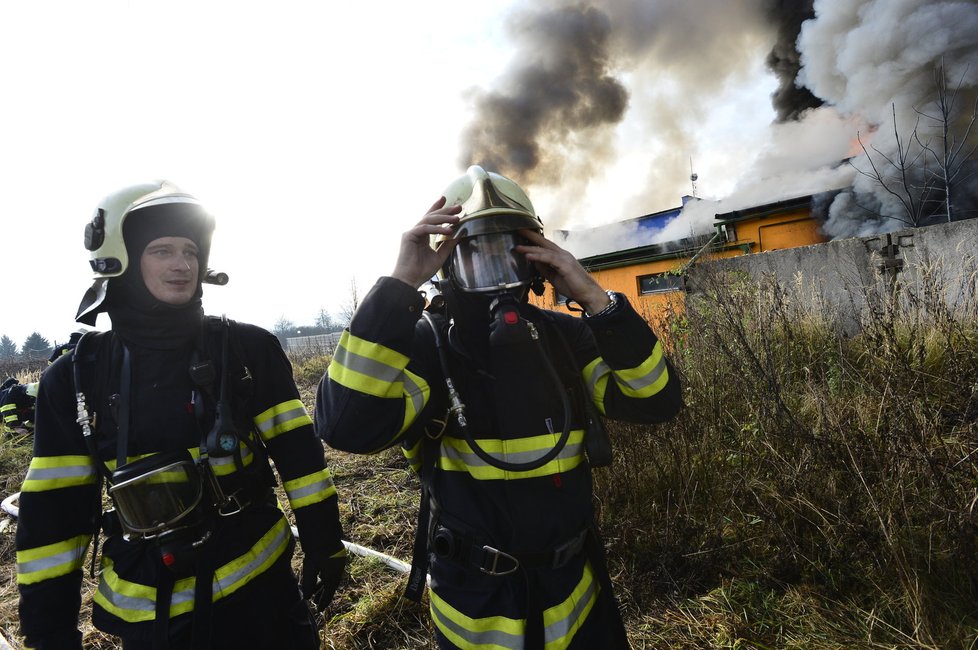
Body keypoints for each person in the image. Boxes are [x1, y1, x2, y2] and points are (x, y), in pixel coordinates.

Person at [316, 165, 683, 649]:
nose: (493, 273)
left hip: (574, 591)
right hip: (476, 607)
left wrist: (594, 297)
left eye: (507, 253)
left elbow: (655, 400)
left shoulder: (567, 337)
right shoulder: (427, 350)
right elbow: (344, 425)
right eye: (474, 255)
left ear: (536, 258)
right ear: (445, 264)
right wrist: (400, 284)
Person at [16, 181, 347, 649]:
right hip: (155, 614)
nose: (182, 265)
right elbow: (55, 516)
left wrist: (324, 541)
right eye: (162, 250)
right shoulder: (74, 379)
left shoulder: (247, 350)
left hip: (262, 594)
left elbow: (301, 459)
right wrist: (48, 633)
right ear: (122, 260)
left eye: (191, 250)